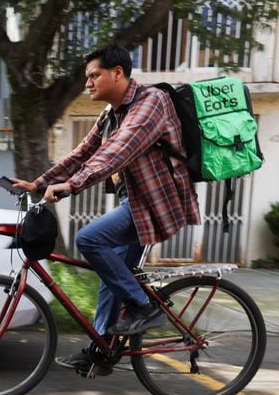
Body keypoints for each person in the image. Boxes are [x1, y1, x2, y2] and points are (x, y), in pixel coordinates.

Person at [12, 44, 201, 374]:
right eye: (87, 77)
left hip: (157, 204)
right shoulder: (112, 114)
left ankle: (144, 307)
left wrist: (72, 186)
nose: (88, 83)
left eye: (94, 75)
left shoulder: (151, 103)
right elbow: (82, 154)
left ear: (118, 73)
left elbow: (116, 152)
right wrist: (39, 184)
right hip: (136, 203)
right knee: (111, 276)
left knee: (89, 240)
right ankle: (101, 350)